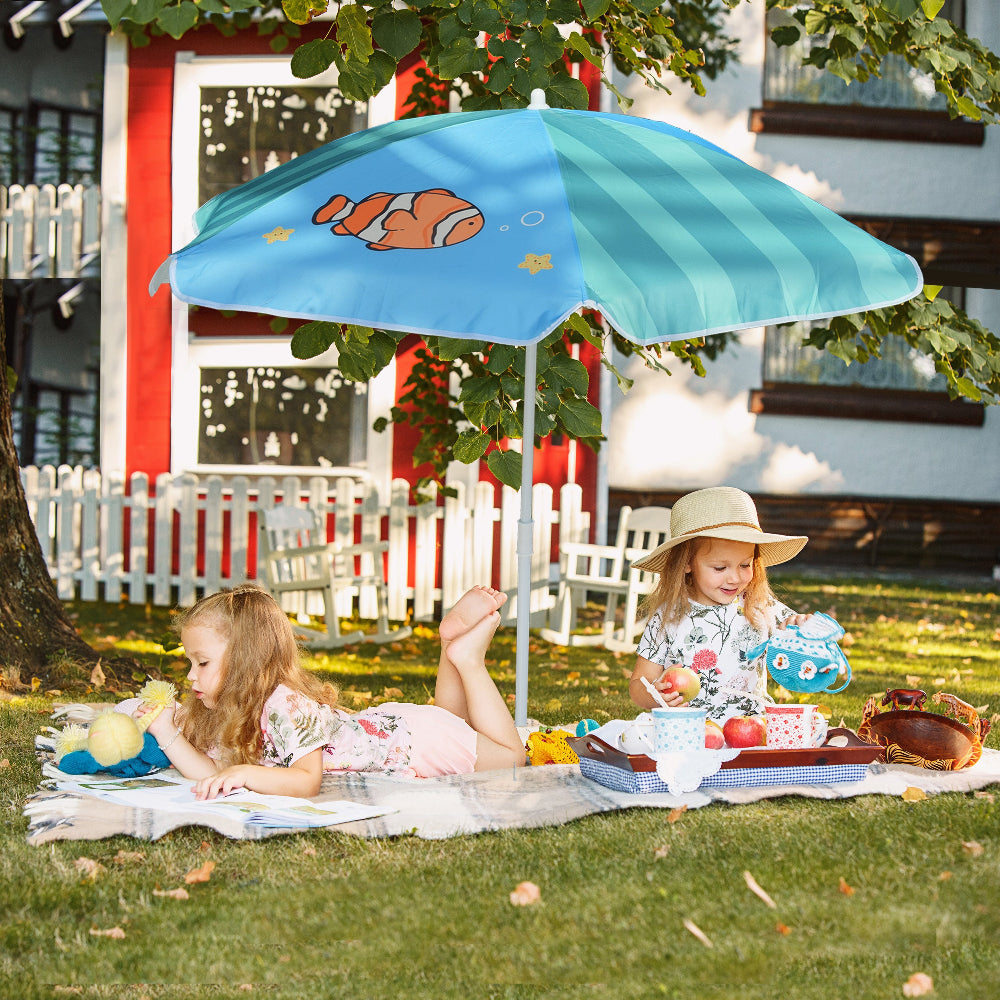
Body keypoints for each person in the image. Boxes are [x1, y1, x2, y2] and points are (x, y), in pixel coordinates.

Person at [137, 583, 525, 799]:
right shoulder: (235, 707)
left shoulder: (284, 704)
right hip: (403, 730)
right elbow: (213, 774)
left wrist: (244, 773)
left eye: (201, 663)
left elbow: (306, 781)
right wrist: (166, 732)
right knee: (454, 721)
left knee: (512, 759)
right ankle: (449, 646)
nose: (190, 675)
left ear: (244, 661)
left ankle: (469, 658)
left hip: (418, 744)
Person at [627, 486, 813, 724]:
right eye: (720, 568)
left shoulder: (759, 606)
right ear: (687, 563)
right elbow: (638, 683)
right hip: (686, 731)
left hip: (751, 728)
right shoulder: (669, 616)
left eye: (745, 565)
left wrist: (800, 629)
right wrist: (656, 694)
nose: (734, 578)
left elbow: (799, 650)